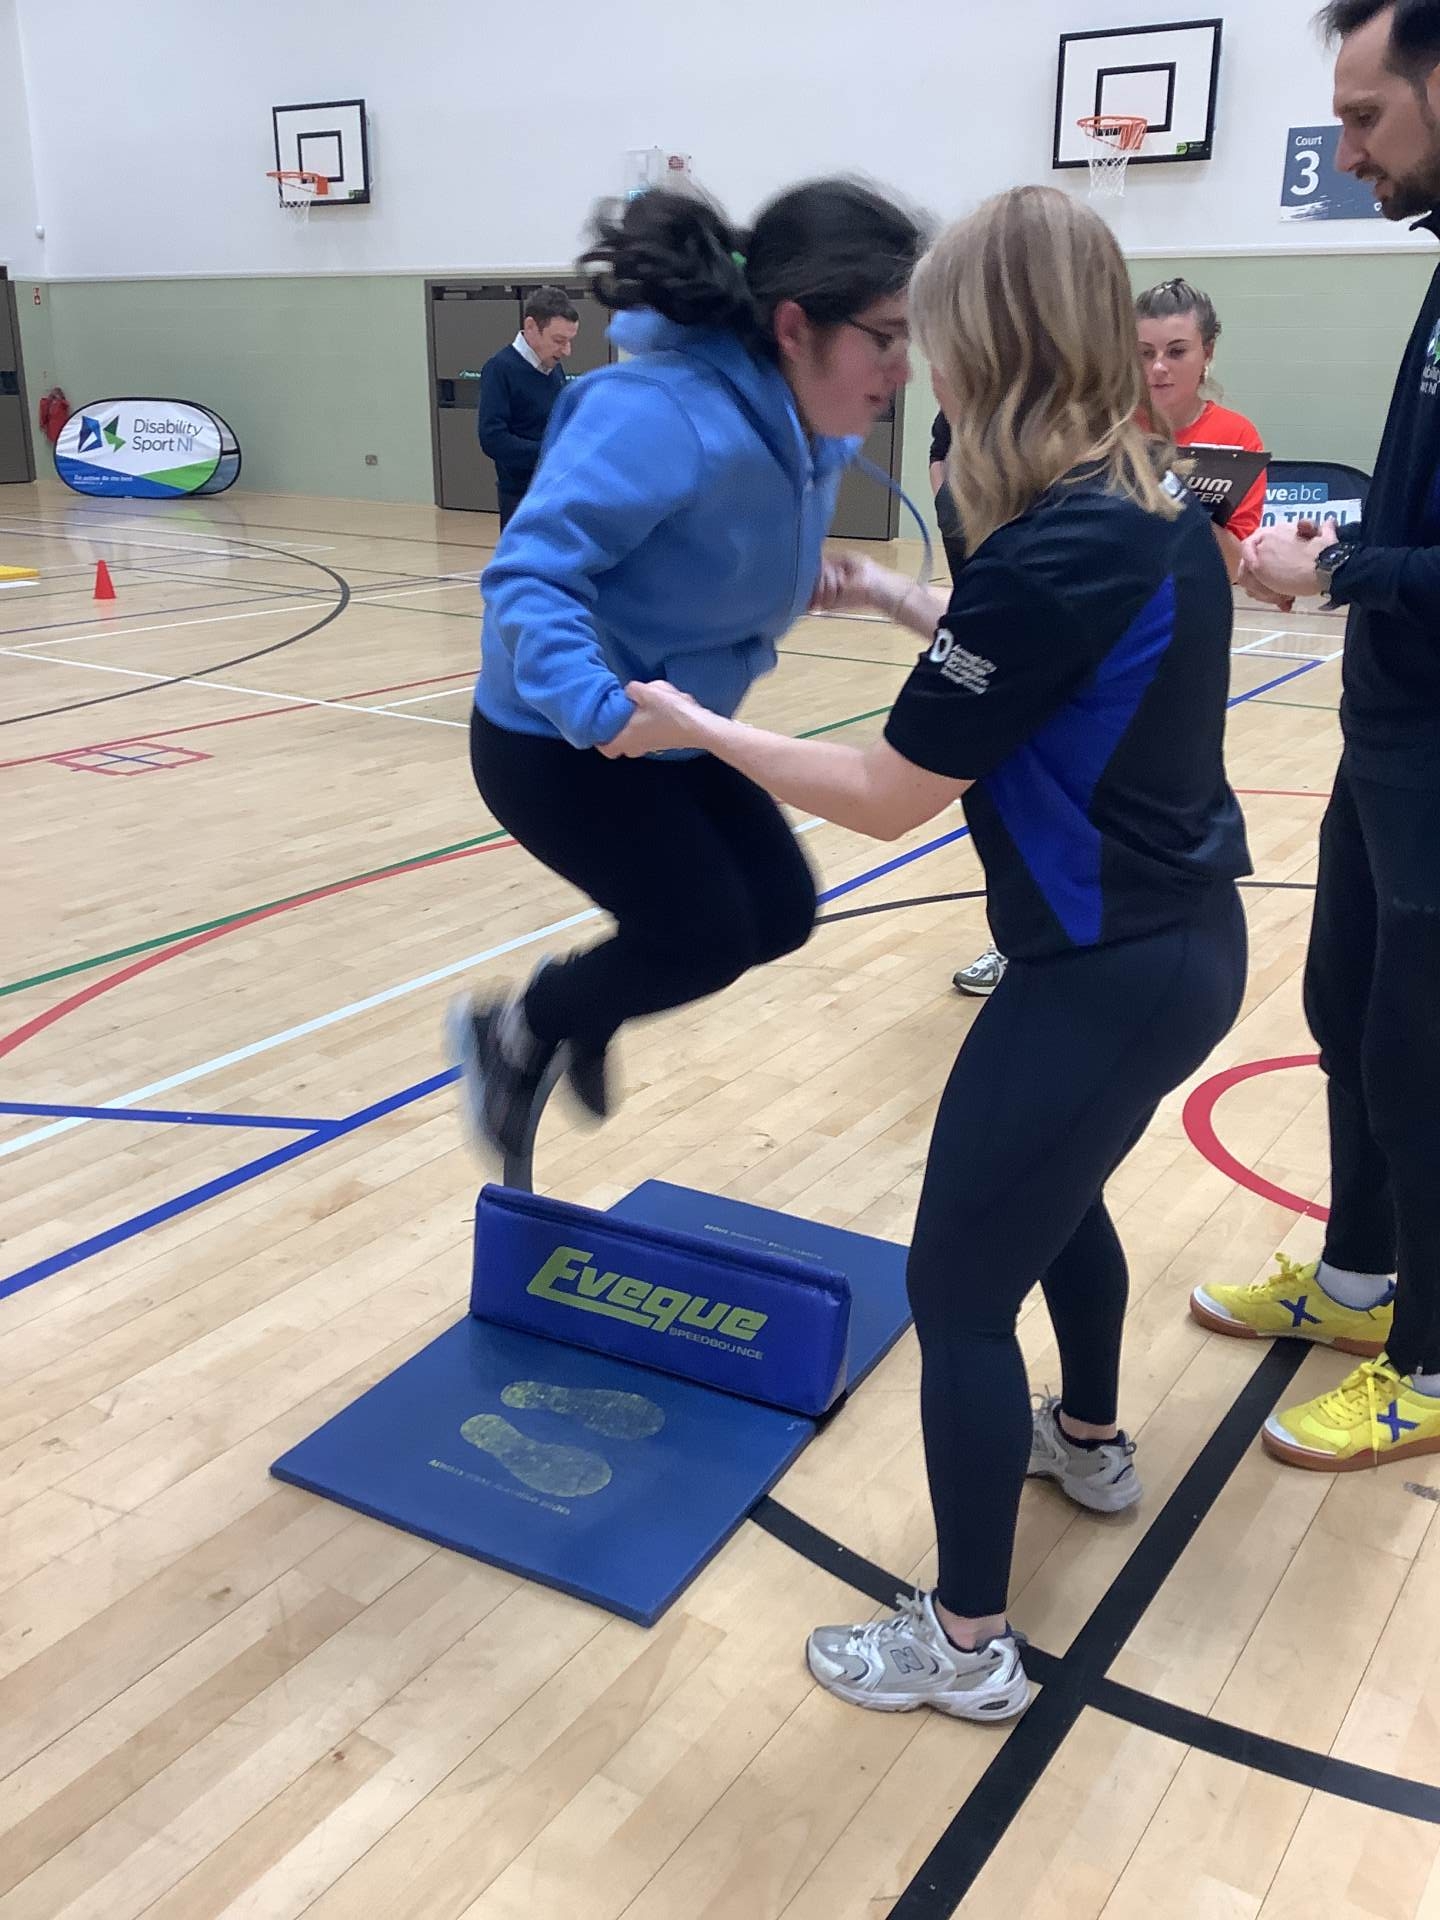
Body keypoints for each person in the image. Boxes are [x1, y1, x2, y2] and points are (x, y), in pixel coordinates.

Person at [613, 186, 1251, 1720]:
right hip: (1173, 948)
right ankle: (1088, 1444)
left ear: (989, 341)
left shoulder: (1054, 550)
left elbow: (890, 792)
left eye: (932, 331)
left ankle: (966, 1646)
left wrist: (694, 728)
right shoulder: (1142, 504)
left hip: (1103, 968)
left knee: (958, 1291)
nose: (916, 362)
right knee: (1058, 1195)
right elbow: (1039, 665)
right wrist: (906, 598)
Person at [449, 181, 924, 1162]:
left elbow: (717, 541)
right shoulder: (656, 412)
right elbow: (531, 574)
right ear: (794, 327)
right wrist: (596, 708)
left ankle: (581, 1013)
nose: (901, 366)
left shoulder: (812, 428)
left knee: (779, 914)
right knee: (703, 935)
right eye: (883, 337)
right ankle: (522, 1026)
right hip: (560, 740)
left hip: (676, 725)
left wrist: (817, 579)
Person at [1191, 0, 1440, 1473]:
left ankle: (1433, 1363)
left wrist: (1339, 568)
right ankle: (1356, 1288)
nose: (1347, 154)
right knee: (1346, 1009)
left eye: (1365, 118)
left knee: (1419, 1055)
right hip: (1388, 728)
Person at [952, 276, 1268, 1000]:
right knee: (1045, 791)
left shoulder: (1235, 438)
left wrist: (1181, 506)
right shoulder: (1100, 427)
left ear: (1207, 354)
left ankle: (1147, 940)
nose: (1158, 368)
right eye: (1144, 352)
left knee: (1144, 806)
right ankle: (1017, 940)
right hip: (1080, 641)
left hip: (1170, 651)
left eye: (1176, 351)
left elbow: (1233, 564)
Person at [477, 287, 580, 529]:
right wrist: (550, 453)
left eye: (569, 341)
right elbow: (492, 438)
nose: (567, 351)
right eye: (559, 341)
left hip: (555, 489)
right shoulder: (499, 369)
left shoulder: (553, 367)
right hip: (520, 497)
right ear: (531, 327)